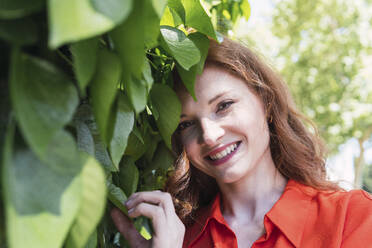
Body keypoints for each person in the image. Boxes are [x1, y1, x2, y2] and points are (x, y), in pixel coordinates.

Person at [111, 37, 372, 248]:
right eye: (186, 124)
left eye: (224, 106)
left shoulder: (353, 217)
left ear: (266, 103)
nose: (209, 136)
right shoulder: (179, 240)